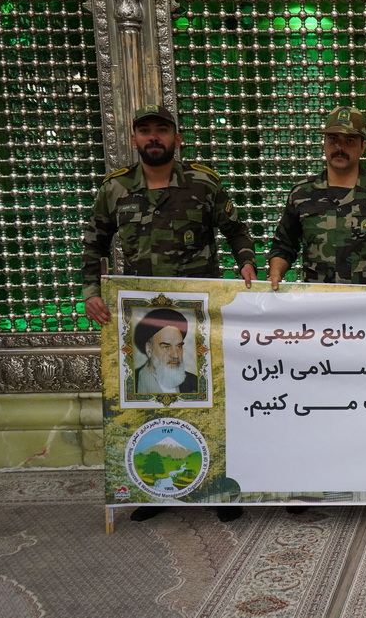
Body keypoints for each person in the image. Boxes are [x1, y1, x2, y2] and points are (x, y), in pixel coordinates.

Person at [81, 103, 255, 523]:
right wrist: (90, 291)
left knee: (210, 397)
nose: (153, 137)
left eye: (162, 130)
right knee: (150, 400)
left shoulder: (202, 183)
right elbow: (94, 243)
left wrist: (246, 262)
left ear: (177, 138)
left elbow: (235, 230)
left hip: (199, 314)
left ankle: (217, 489)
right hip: (142, 315)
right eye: (145, 131)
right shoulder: (115, 189)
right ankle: (156, 488)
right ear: (134, 139)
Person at [267, 106, 366, 290]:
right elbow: (284, 245)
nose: (339, 147)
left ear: (363, 147)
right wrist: (276, 274)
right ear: (324, 143)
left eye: (349, 141)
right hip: (318, 302)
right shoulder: (302, 194)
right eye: (333, 139)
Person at [133, 308, 198, 394]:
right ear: (149, 349)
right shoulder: (132, 383)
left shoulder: (195, 382)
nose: (175, 355)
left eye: (179, 346)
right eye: (166, 347)